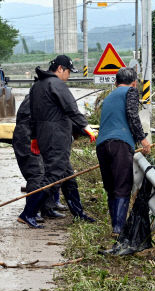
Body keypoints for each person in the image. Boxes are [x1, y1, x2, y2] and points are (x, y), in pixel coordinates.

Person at [26, 55, 97, 226]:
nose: (68, 76)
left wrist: (34, 138)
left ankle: (78, 212)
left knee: (68, 176)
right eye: (68, 72)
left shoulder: (37, 86)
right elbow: (71, 109)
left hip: (44, 136)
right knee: (53, 175)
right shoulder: (56, 84)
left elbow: (33, 116)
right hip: (56, 137)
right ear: (60, 69)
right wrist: (86, 128)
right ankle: (28, 212)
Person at [96, 67, 151, 236]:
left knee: (111, 187)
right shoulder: (131, 92)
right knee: (122, 187)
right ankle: (118, 229)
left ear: (115, 82)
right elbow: (132, 116)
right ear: (134, 83)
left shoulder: (109, 96)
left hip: (102, 145)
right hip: (120, 144)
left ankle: (116, 226)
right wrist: (143, 140)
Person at [13, 95, 67, 229]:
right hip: (27, 139)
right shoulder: (35, 98)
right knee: (36, 174)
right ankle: (30, 213)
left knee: (49, 172)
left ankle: (47, 208)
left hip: (41, 138)